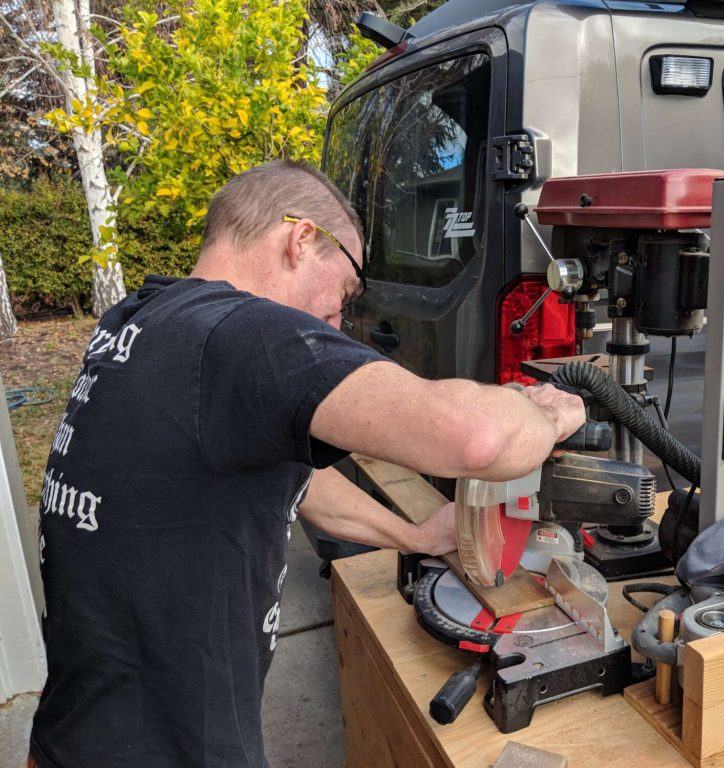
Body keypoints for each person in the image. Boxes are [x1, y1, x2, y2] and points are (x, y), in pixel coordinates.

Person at [28, 160, 585, 768]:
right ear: (299, 240)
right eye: (345, 292)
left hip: (75, 734)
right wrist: (546, 412)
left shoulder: (141, 322)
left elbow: (282, 474)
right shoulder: (240, 333)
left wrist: (411, 533)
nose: (340, 321)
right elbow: (476, 441)